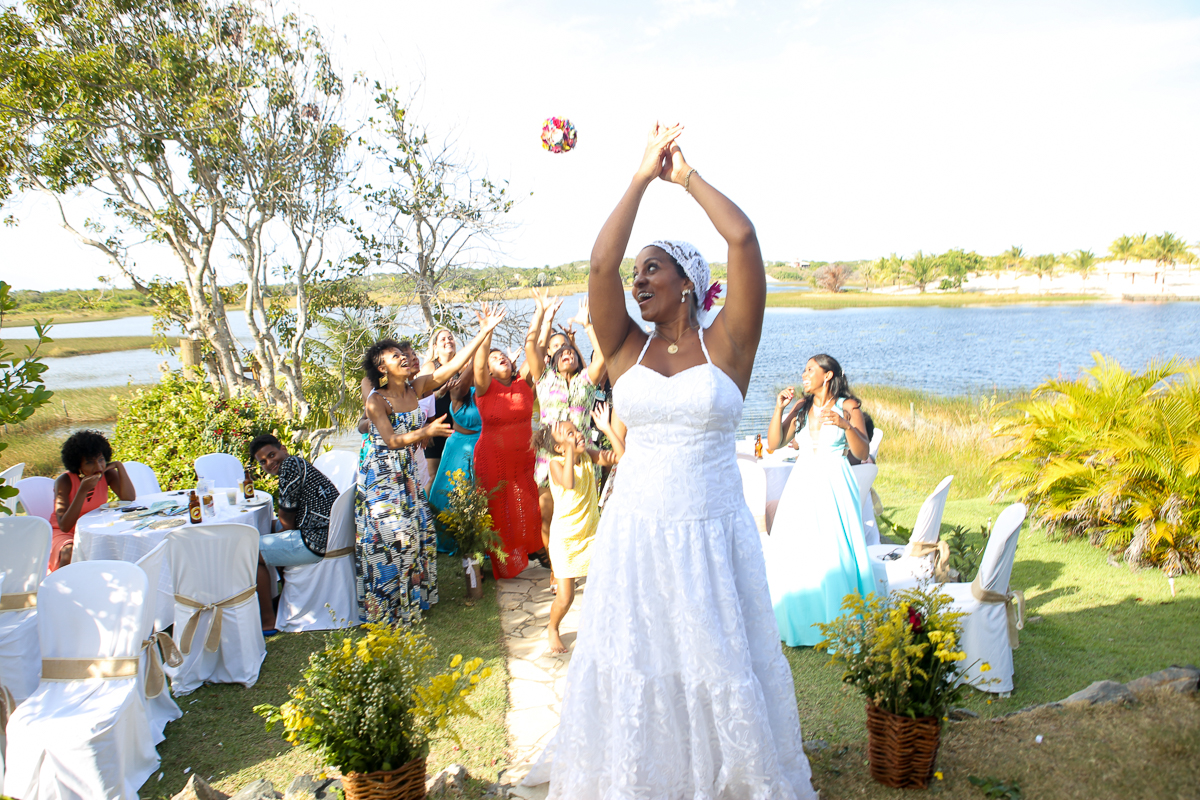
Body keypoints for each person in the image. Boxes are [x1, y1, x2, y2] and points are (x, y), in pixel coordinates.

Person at [525, 123, 816, 799]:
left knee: (715, 663)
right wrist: (635, 179)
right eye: (639, 271)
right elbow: (599, 267)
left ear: (689, 283)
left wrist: (683, 177)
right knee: (640, 661)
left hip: (712, 534)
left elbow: (743, 240)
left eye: (653, 267)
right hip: (637, 533)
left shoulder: (730, 346)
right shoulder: (626, 347)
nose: (637, 279)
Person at [357, 306, 506, 625]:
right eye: (395, 355)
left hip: (406, 473)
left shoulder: (415, 388)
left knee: (420, 532)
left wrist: (483, 332)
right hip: (381, 475)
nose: (403, 357)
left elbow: (453, 364)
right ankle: (386, 609)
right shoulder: (376, 400)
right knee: (392, 537)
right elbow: (391, 440)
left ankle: (411, 602)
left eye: (403, 352)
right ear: (382, 368)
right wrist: (425, 432)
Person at [765, 354, 875, 648]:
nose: (804, 374)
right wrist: (779, 408)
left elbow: (862, 453)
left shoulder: (848, 406)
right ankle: (800, 625)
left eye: (810, 370)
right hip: (802, 481)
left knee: (834, 551)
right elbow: (774, 443)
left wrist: (845, 425)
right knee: (797, 549)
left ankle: (841, 625)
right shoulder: (802, 407)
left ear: (827, 375)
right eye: (804, 369)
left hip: (834, 481)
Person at [527, 289, 607, 574]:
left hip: (584, 458)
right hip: (549, 459)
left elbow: (602, 356)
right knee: (549, 515)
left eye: (571, 352)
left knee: (586, 516)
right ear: (553, 360)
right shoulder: (544, 380)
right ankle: (555, 569)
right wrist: (544, 316)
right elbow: (531, 348)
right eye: (561, 353)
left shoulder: (587, 381)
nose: (567, 354)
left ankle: (586, 565)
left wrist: (588, 326)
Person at [472, 299, 547, 580]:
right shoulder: (484, 388)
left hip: (525, 459)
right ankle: (502, 562)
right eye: (494, 357)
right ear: (489, 370)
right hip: (494, 461)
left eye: (502, 354)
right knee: (499, 511)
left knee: (531, 505)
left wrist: (540, 314)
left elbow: (536, 346)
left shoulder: (523, 382)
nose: (500, 356)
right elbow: (478, 364)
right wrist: (487, 332)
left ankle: (537, 549)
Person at [542, 409, 623, 654]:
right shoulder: (556, 466)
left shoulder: (588, 456)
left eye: (577, 430)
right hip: (566, 541)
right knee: (566, 597)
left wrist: (608, 428)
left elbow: (622, 457)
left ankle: (606, 629)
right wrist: (569, 451)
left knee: (607, 587)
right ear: (559, 449)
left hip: (592, 536)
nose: (578, 435)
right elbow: (569, 482)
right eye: (570, 434)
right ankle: (553, 628)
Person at [249, 434, 339, 633]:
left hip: (316, 540)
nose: (269, 463)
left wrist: (277, 530)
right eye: (263, 462)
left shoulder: (290, 466)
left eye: (272, 455)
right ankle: (283, 599)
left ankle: (268, 620)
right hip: (331, 534)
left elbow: (286, 522)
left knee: (251, 552)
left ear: (283, 449)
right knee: (271, 531)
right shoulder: (298, 463)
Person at [49, 430, 136, 571]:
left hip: (93, 528)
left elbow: (129, 498)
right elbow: (64, 525)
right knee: (69, 552)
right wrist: (82, 490)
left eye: (101, 459)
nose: (98, 467)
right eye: (90, 462)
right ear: (78, 465)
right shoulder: (64, 481)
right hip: (65, 533)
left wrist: (119, 466)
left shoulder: (107, 474)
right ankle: (60, 587)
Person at [427, 369, 481, 553]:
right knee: (453, 489)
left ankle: (479, 536)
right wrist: (476, 356)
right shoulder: (458, 393)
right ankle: (451, 536)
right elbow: (463, 384)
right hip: (459, 447)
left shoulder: (486, 392)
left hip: (482, 447)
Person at [420, 328, 461, 489]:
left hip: (458, 429)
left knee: (457, 475)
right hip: (435, 427)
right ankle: (429, 513)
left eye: (450, 338)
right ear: (435, 346)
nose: (447, 341)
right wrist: (425, 428)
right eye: (443, 339)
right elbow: (419, 399)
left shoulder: (462, 366)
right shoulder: (430, 367)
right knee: (432, 476)